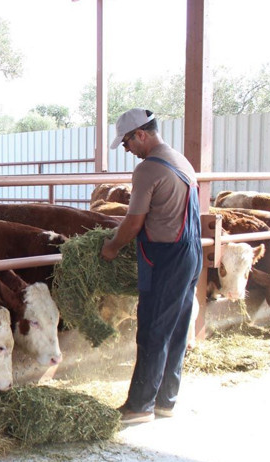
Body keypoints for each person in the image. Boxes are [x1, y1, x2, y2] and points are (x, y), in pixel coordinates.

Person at [100, 108, 203, 425]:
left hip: (165, 256)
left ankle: (139, 406)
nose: (128, 150)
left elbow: (133, 223)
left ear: (140, 134)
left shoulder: (147, 170)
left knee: (153, 330)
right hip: (191, 252)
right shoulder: (181, 160)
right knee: (176, 328)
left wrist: (112, 247)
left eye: (127, 143)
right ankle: (164, 400)